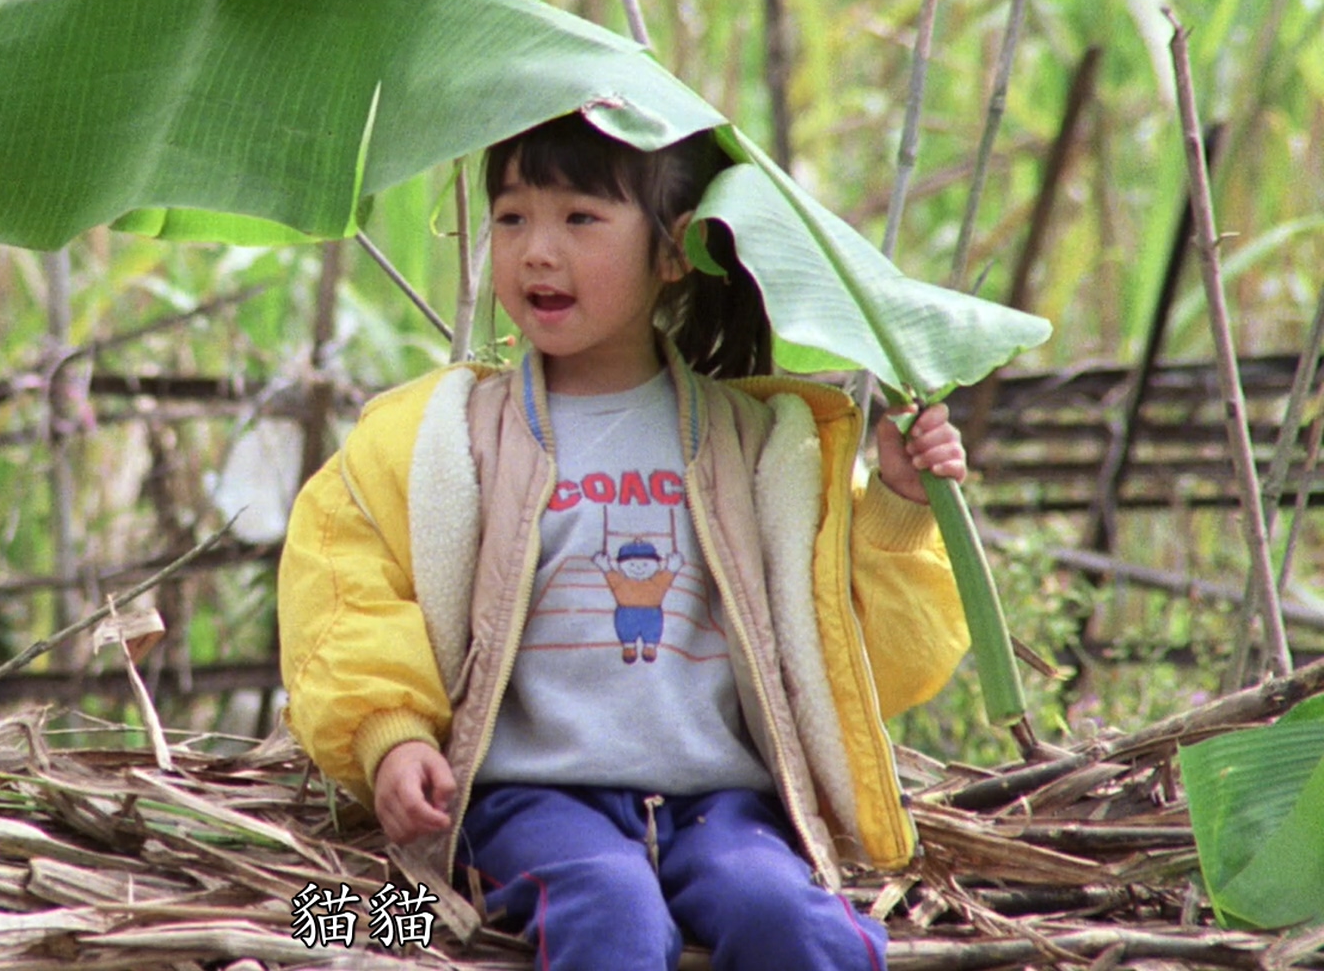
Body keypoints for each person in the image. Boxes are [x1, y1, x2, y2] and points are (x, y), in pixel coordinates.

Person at [277, 112, 971, 970]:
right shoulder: (438, 440)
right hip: (534, 803)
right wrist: (392, 731)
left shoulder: (763, 449)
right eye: (512, 217)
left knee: (789, 920)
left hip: (725, 808)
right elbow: (349, 582)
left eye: (579, 219)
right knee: (613, 916)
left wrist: (900, 507)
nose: (537, 250)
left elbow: (848, 662)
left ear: (675, 252)